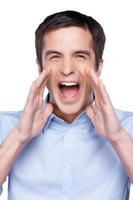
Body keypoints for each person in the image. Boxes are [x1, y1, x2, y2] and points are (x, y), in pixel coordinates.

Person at [0, 10, 133, 200]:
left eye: (80, 56)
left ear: (98, 67)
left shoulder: (127, 129)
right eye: (55, 56)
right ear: (40, 68)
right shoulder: (7, 127)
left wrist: (118, 138)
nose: (67, 69)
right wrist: (18, 137)